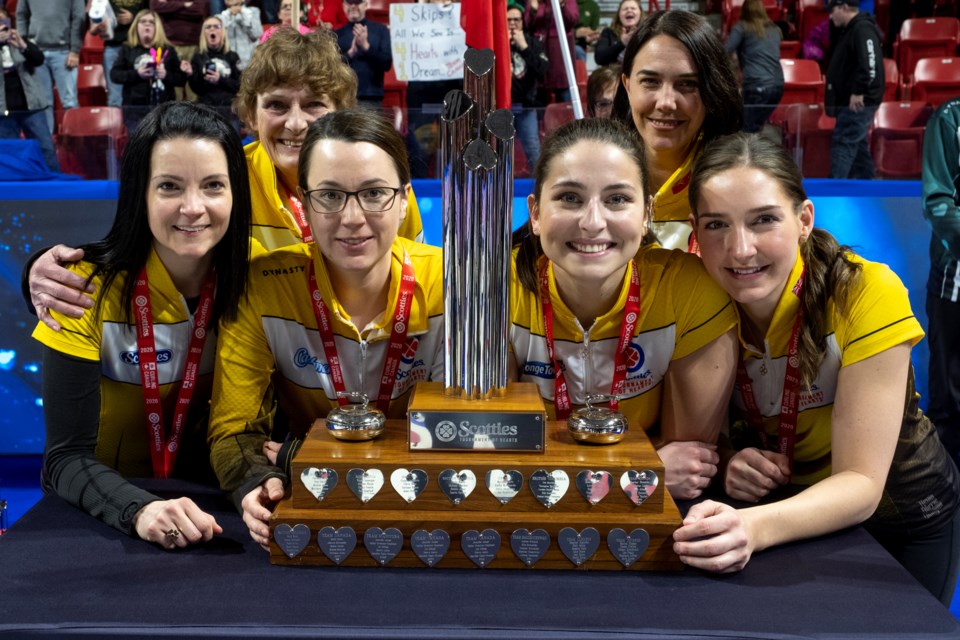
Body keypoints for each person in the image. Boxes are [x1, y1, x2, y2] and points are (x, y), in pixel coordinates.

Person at [677, 132, 960, 605]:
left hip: (901, 517)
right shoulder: (693, 298)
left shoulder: (866, 290)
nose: (740, 249)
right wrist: (729, 462)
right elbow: (699, 436)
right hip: (786, 511)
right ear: (694, 232)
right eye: (717, 225)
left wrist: (752, 525)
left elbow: (862, 485)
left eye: (764, 220)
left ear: (804, 219)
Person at [24, 27, 423, 330]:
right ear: (250, 113)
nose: (296, 123)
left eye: (315, 104)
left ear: (341, 111)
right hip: (250, 367)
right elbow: (134, 251)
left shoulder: (380, 190)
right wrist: (36, 271)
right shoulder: (221, 180)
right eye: (277, 105)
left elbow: (412, 286)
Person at [207, 109, 444, 547]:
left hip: (425, 517)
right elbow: (234, 433)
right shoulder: (263, 285)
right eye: (330, 196)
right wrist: (255, 484)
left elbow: (461, 442)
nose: (352, 217)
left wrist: (306, 456)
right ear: (305, 201)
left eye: (374, 193)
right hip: (313, 515)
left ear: (405, 197)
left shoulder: (452, 284)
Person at [32, 101, 252, 548]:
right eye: (169, 186)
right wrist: (138, 509)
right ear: (139, 194)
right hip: (104, 518)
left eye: (213, 185)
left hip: (223, 517)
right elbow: (64, 457)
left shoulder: (259, 284)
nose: (193, 208)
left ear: (236, 194)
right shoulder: (81, 288)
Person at [510, 117, 738, 500]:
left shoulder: (689, 291)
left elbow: (689, 464)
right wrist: (641, 471)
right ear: (535, 214)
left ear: (646, 212)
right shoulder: (495, 292)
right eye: (569, 197)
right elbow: (499, 453)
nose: (592, 222)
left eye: (617, 199)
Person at [613, 10, 742, 252]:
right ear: (627, 85)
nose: (666, 102)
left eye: (687, 84)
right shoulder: (593, 175)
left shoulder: (743, 182)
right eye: (650, 81)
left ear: (711, 92)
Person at [922, 97, 960, 466]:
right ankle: (946, 487)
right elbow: (938, 202)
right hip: (955, 282)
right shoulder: (950, 119)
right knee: (948, 400)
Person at [824, 0, 884, 179]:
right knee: (858, 150)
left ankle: (834, 192)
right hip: (851, 101)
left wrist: (859, 91)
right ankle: (870, 187)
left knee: (844, 144)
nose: (830, 15)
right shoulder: (850, 29)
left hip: (859, 102)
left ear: (843, 7)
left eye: (833, 10)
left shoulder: (862, 29)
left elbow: (870, 63)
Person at [0, 8, 61, 172]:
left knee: (46, 149)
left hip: (32, 107)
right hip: (4, 112)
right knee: (10, 154)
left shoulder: (22, 41)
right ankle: (16, 191)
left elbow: (38, 60)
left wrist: (23, 46)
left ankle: (55, 184)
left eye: (3, 23)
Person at [110, 9, 189, 133]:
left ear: (157, 27)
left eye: (151, 22)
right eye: (143, 21)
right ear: (136, 26)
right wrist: (137, 74)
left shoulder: (168, 50)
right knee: (138, 149)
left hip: (164, 110)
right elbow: (114, 75)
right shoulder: (127, 48)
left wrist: (165, 75)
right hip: (134, 109)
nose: (147, 25)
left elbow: (181, 80)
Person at [15, 0, 84, 135]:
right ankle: (48, 146)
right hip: (36, 52)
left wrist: (75, 50)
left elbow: (79, 17)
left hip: (64, 51)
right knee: (44, 103)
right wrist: (23, 44)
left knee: (69, 102)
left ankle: (75, 142)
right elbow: (21, 14)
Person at [724, 0, 784, 134]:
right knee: (755, 128)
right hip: (778, 87)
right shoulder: (775, 29)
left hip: (757, 85)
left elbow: (725, 51)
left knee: (748, 130)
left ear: (744, 11)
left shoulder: (742, 27)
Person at [508, 1, 547, 168]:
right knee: (499, 154)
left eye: (516, 20)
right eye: (508, 20)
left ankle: (537, 190)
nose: (513, 24)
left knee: (533, 152)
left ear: (522, 22)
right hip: (500, 108)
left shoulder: (531, 43)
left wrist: (523, 47)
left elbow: (543, 70)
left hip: (526, 107)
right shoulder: (494, 43)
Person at [335, 0, 392, 109]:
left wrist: (366, 46)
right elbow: (332, 67)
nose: (353, 6)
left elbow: (387, 63)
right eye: (349, 3)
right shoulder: (337, 34)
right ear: (343, 6)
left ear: (365, 5)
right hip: (344, 97)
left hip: (372, 98)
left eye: (357, 2)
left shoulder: (381, 30)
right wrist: (351, 53)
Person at [89, 1, 147, 108]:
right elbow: (93, 28)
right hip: (113, 46)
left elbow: (152, 15)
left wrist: (134, 18)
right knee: (115, 99)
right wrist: (101, 26)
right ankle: (116, 124)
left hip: (138, 47)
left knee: (140, 95)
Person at [188, 15, 242, 127]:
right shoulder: (198, 57)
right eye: (208, 27)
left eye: (217, 26)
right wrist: (190, 74)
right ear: (204, 33)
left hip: (229, 110)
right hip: (206, 110)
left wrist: (220, 79)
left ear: (223, 32)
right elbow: (197, 90)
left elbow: (239, 86)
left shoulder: (232, 56)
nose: (212, 29)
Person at [148, 0, 208, 100]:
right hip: (169, 46)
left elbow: (200, 10)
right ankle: (175, 112)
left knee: (193, 85)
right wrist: (184, 5)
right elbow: (155, 6)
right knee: (174, 86)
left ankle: (193, 114)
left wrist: (171, 9)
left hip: (194, 45)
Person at [525, 0, 578, 104]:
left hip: (560, 52)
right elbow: (527, 24)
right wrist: (533, 10)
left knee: (564, 95)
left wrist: (562, 5)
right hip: (539, 50)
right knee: (539, 94)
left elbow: (572, 20)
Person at [218, 0, 262, 71]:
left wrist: (243, 19)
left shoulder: (253, 12)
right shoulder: (220, 17)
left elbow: (257, 34)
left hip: (251, 65)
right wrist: (227, 17)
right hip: (229, 66)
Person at [594, 0, 641, 67]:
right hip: (615, 74)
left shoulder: (647, 33)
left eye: (633, 8)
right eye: (625, 9)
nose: (629, 10)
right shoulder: (608, 32)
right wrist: (622, 43)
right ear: (619, 14)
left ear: (640, 13)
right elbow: (599, 58)